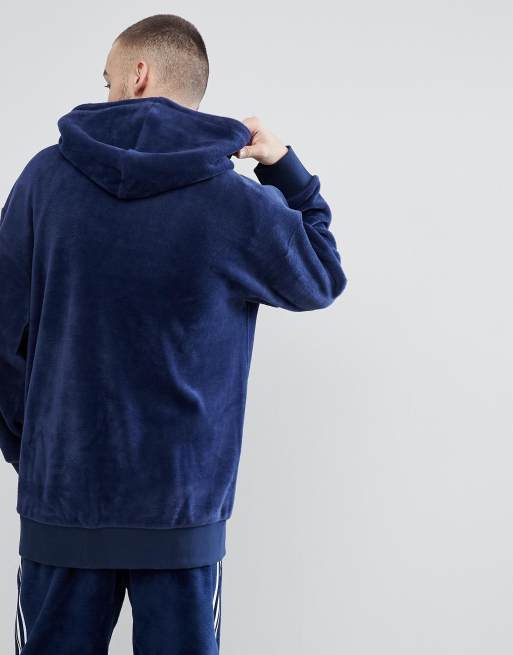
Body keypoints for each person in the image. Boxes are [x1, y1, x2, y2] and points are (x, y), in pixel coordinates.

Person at [0, 13, 347, 655]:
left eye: (108, 79)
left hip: (62, 504)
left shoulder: (44, 181)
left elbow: (2, 334)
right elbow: (321, 275)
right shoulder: (233, 201)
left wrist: (36, 448)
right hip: (180, 509)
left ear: (137, 75)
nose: (107, 91)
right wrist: (285, 167)